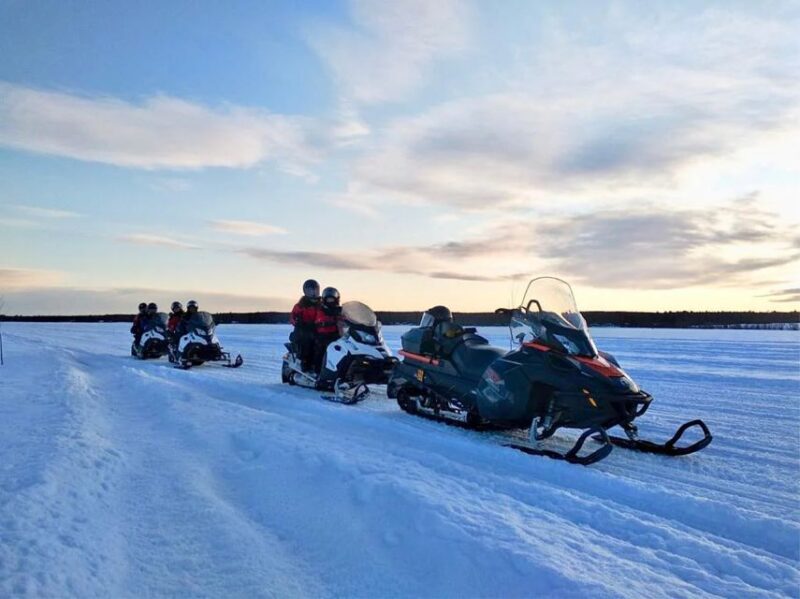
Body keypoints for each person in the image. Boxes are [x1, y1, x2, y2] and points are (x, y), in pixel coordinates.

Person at [290, 279, 321, 371]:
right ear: (305, 291)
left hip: (319, 329)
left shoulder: (323, 304)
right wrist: (298, 322)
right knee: (307, 341)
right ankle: (304, 363)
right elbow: (292, 317)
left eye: (315, 290)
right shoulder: (300, 305)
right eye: (310, 290)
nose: (313, 293)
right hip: (303, 330)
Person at [313, 287, 342, 373]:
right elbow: (319, 319)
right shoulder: (322, 309)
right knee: (323, 347)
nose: (330, 301)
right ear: (324, 300)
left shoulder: (340, 310)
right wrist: (328, 321)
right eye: (328, 299)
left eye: (332, 299)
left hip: (338, 334)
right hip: (324, 334)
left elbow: (346, 316)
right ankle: (318, 369)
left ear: (336, 299)